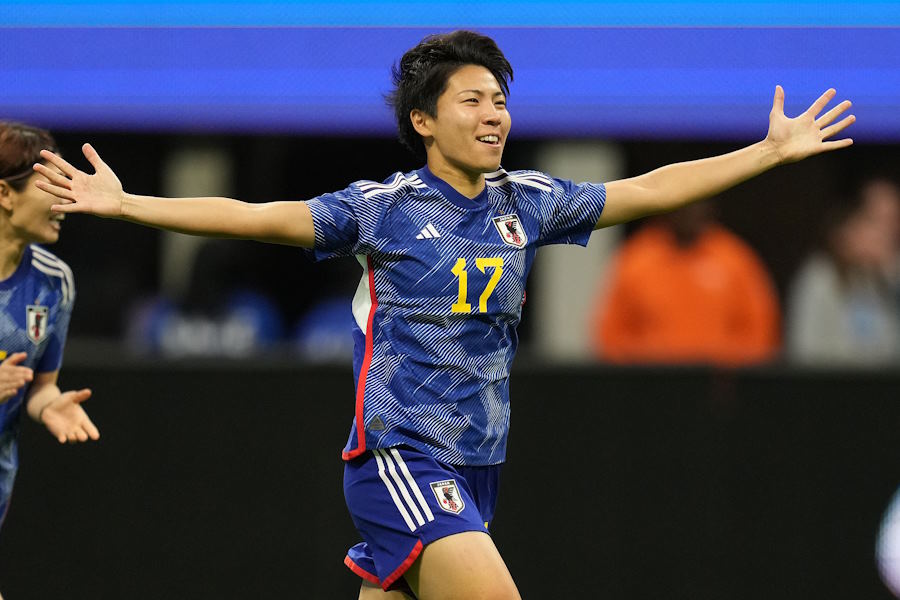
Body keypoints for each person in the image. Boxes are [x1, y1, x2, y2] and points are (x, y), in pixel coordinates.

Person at [32, 31, 854, 600]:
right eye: (472, 100)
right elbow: (257, 215)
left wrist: (767, 152)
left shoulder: (527, 202)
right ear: (423, 121)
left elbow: (645, 190)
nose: (494, 114)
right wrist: (129, 204)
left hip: (477, 466)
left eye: (500, 99)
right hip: (401, 457)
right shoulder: (384, 209)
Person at [0, 123, 100, 538]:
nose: (67, 200)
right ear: (5, 193)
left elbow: (40, 386)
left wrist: (49, 404)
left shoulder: (54, 282)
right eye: (52, 187)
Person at [591, 200, 781, 365]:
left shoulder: (735, 259)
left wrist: (722, 363)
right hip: (652, 385)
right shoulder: (635, 260)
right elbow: (610, 335)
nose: (688, 211)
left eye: (696, 201)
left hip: (717, 386)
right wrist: (647, 362)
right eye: (682, 202)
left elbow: (761, 331)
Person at [786, 179, 900, 365]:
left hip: (883, 381)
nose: (886, 232)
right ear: (847, 226)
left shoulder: (884, 274)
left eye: (893, 220)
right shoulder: (820, 276)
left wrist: (892, 273)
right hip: (831, 380)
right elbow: (805, 348)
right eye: (876, 222)